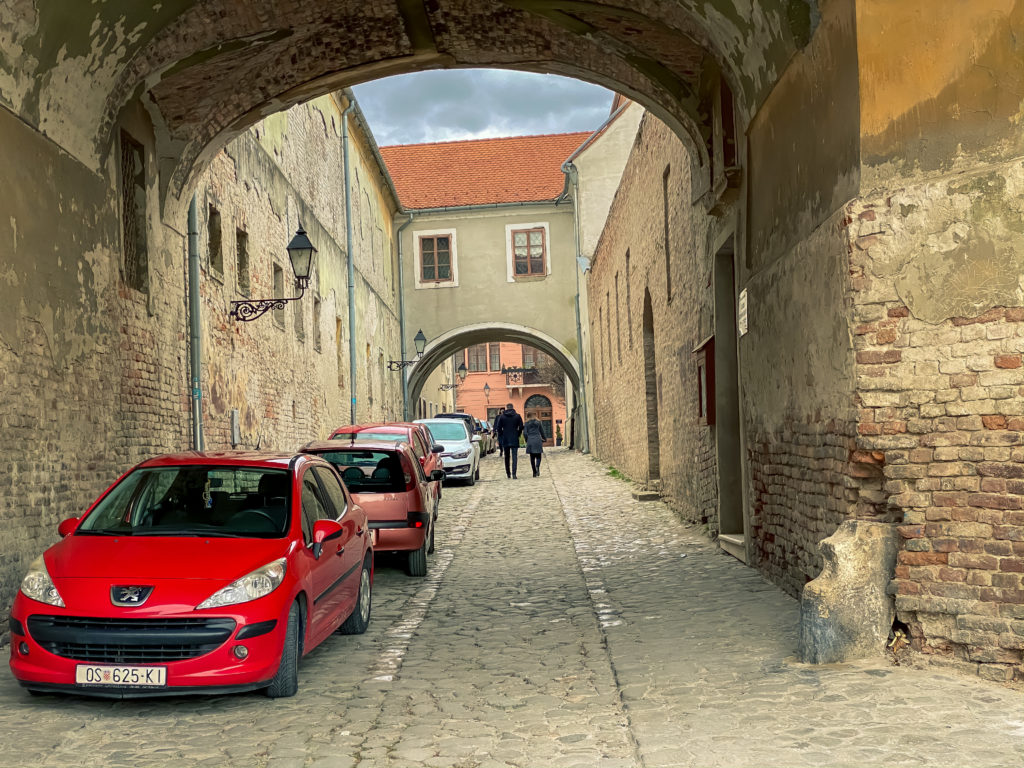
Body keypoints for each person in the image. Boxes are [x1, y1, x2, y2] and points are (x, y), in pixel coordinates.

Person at [493, 402, 524, 478]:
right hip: (514, 437)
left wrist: (501, 434)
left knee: (506, 456)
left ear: (506, 408)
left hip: (505, 437)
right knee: (514, 456)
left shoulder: (502, 417)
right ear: (513, 407)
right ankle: (514, 473)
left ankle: (508, 473)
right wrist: (518, 434)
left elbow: (498, 427)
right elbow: (521, 427)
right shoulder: (517, 416)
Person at [523, 411, 546, 477]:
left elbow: (524, 433)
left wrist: (527, 439)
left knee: (532, 457)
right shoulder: (538, 422)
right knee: (539, 455)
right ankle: (537, 466)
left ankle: (534, 472)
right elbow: (542, 431)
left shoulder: (526, 423)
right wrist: (544, 438)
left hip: (530, 439)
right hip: (537, 439)